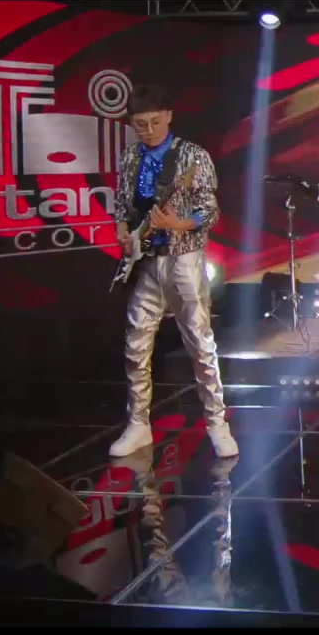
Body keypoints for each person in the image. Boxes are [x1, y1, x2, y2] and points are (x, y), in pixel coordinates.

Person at [108, 84, 238, 460]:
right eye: (140, 124)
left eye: (154, 122)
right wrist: (122, 231)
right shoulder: (130, 157)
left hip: (184, 259)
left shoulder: (192, 157)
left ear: (168, 116)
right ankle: (138, 423)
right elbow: (123, 204)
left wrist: (178, 224)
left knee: (200, 342)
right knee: (136, 345)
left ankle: (217, 423)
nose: (148, 130)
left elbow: (209, 210)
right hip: (146, 260)